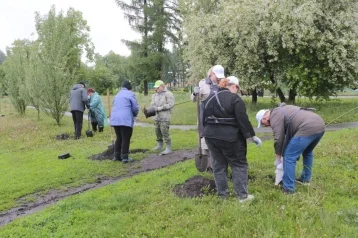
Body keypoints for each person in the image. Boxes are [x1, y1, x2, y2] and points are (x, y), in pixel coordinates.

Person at [202, 77, 262, 202]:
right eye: (238, 88)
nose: (238, 91)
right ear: (234, 86)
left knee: (218, 166)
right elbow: (242, 120)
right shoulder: (235, 99)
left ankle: (223, 195)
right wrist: (252, 136)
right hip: (230, 138)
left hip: (210, 137)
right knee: (238, 164)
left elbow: (204, 120)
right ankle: (242, 196)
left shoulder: (209, 99)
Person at [256, 104, 325, 193]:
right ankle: (305, 179)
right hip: (319, 124)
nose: (265, 126)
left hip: (307, 126)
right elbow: (288, 138)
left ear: (264, 118)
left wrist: (278, 158)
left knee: (289, 157)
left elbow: (279, 138)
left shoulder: (275, 116)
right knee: (307, 152)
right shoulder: (281, 110)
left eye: (262, 124)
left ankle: (288, 189)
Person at [191, 65, 226, 171]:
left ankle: (216, 164)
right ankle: (208, 165)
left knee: (217, 140)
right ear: (211, 74)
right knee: (205, 140)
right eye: (217, 76)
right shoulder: (203, 84)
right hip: (205, 117)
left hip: (218, 116)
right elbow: (193, 99)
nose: (219, 78)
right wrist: (195, 93)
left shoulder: (222, 83)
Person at [110, 80, 139, 163]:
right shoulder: (130, 94)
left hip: (115, 119)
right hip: (125, 119)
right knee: (126, 138)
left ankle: (116, 156)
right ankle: (125, 158)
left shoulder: (117, 95)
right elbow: (135, 108)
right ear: (129, 88)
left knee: (119, 137)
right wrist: (135, 114)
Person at [150, 80, 175, 155]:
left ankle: (168, 147)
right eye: (156, 88)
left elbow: (171, 104)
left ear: (162, 87)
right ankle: (159, 145)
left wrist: (160, 108)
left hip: (165, 116)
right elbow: (152, 104)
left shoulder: (168, 94)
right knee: (157, 131)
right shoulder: (154, 95)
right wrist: (153, 108)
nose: (156, 89)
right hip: (157, 117)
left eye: (157, 87)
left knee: (164, 131)